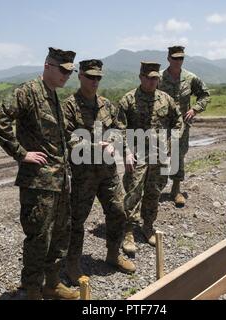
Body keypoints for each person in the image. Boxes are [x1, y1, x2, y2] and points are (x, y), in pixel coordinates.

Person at [0, 47, 79, 300]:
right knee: (39, 238)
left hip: (59, 181)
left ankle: (52, 283)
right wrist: (21, 153)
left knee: (60, 235)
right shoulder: (29, 91)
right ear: (47, 65)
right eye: (62, 70)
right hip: (38, 182)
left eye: (70, 71)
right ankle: (31, 290)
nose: (66, 76)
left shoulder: (53, 95)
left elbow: (59, 139)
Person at [63, 59, 136, 285]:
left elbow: (118, 129)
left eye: (98, 78)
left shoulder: (106, 104)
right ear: (80, 76)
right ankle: (72, 264)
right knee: (76, 220)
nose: (94, 81)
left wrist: (116, 144)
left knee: (118, 211)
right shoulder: (68, 106)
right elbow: (66, 139)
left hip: (107, 172)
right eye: (90, 77)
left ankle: (113, 254)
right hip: (82, 175)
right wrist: (92, 147)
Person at [119, 62, 183, 255]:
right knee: (133, 191)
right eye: (149, 78)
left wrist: (173, 143)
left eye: (155, 78)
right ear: (141, 77)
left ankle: (148, 225)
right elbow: (119, 128)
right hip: (137, 154)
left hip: (160, 153)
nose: (152, 81)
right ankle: (128, 230)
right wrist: (126, 152)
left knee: (154, 191)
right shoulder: (128, 100)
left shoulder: (166, 100)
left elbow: (178, 122)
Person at [158, 46, 211, 207]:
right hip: (161, 123)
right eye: (175, 58)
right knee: (158, 156)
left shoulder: (190, 78)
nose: (178, 61)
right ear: (168, 58)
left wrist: (194, 109)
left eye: (181, 58)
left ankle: (176, 189)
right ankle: (155, 189)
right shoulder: (159, 78)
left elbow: (205, 95)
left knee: (178, 155)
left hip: (181, 125)